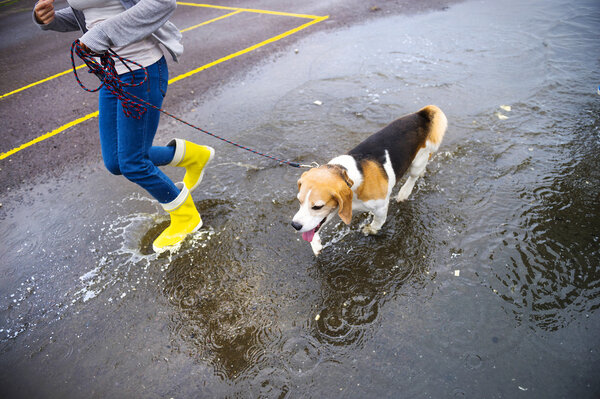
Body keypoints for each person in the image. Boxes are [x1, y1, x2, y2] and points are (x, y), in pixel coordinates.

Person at [33, 0, 214, 253]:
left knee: (132, 163)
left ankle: (186, 217)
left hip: (141, 70)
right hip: (110, 73)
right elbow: (91, 13)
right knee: (116, 162)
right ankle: (193, 156)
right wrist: (50, 20)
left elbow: (162, 3)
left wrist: (102, 34)